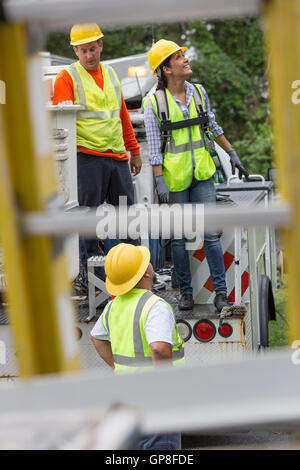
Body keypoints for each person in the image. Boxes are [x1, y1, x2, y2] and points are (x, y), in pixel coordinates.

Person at [144, 39, 249, 312]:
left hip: (202, 174)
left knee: (210, 235)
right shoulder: (154, 103)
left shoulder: (199, 93)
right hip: (175, 179)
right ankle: (186, 294)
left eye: (182, 54)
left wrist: (232, 151)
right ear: (166, 69)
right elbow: (154, 148)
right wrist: (159, 180)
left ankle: (221, 294)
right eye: (178, 57)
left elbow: (212, 126)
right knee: (178, 238)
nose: (185, 59)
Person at [53, 23, 142, 292]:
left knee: (128, 217)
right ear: (75, 51)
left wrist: (134, 151)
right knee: (89, 220)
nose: (89, 55)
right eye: (83, 50)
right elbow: (60, 119)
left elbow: (122, 114)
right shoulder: (67, 77)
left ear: (101, 46)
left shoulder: (112, 74)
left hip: (116, 158)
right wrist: (63, 106)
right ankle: (93, 281)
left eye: (92, 48)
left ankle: (135, 272)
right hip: (88, 158)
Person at [90, 242, 184, 450]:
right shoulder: (155, 306)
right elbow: (159, 348)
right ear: (145, 274)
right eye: (146, 263)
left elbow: (97, 338)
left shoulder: (114, 305)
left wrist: (117, 368)